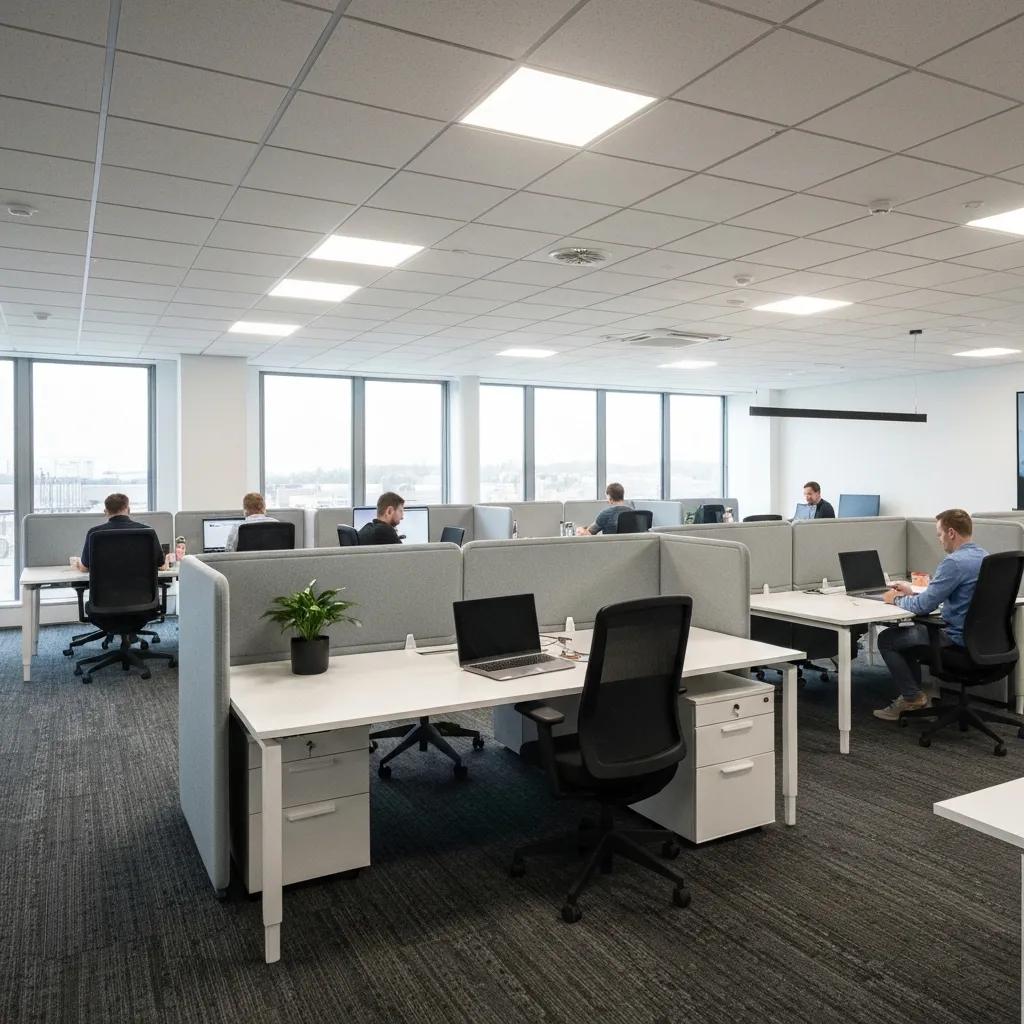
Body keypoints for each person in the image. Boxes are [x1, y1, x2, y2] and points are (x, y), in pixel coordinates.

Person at [873, 508, 987, 721]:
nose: (939, 540)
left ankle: (912, 698)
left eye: (940, 534)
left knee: (888, 639)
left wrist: (894, 598)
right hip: (982, 640)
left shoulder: (954, 562)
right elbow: (956, 594)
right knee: (905, 637)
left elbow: (923, 606)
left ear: (951, 533)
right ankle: (921, 693)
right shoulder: (985, 557)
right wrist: (912, 590)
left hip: (953, 637)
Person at [78, 493, 164, 571]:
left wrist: (77, 564)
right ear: (129, 510)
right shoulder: (147, 533)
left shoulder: (95, 533)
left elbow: (85, 567)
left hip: (106, 587)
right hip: (140, 587)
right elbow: (160, 563)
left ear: (106, 512)